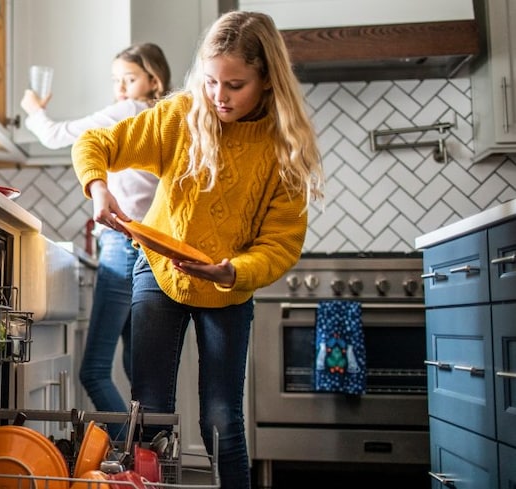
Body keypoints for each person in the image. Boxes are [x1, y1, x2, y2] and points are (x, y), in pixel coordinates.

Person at [71, 11, 324, 489]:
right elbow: (95, 143)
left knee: (223, 419)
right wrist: (98, 188)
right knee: (150, 411)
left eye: (235, 85)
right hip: (159, 271)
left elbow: (282, 242)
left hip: (227, 287)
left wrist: (233, 272)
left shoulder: (281, 148)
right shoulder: (180, 115)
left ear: (267, 81)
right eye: (211, 81)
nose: (218, 97)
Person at [20, 43, 171, 441]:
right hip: (147, 249)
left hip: (122, 247)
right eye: (116, 80)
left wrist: (35, 108)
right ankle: (148, 462)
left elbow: (58, 136)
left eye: (130, 78)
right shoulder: (161, 120)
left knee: (93, 370)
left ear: (153, 79)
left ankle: (130, 458)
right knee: (138, 374)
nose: (121, 88)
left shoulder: (128, 113)